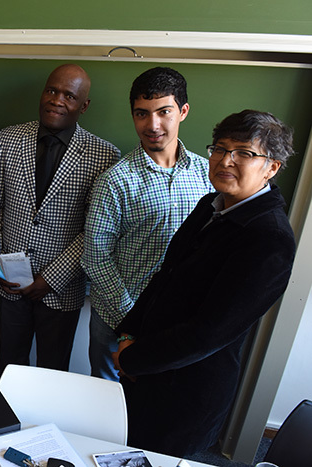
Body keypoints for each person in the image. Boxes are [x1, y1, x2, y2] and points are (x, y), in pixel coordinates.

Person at [112, 110, 297, 456]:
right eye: (220, 148)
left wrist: (135, 359)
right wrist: (127, 336)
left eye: (244, 152)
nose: (226, 161)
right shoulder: (210, 204)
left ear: (272, 167)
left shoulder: (269, 239)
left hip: (186, 391)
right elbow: (164, 276)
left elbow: (209, 332)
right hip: (147, 366)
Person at [0, 64, 120, 374]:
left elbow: (93, 232)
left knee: (52, 370)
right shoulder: (9, 139)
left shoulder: (104, 155)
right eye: (51, 90)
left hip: (61, 290)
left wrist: (50, 279)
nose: (56, 100)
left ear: (83, 106)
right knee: (9, 366)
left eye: (69, 95)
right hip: (9, 283)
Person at [81, 67, 213, 381]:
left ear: (182, 111)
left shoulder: (207, 175)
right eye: (142, 114)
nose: (152, 125)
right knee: (107, 393)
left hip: (176, 319)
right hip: (116, 315)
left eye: (163, 112)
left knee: (158, 398)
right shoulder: (114, 181)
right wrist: (131, 320)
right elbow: (95, 258)